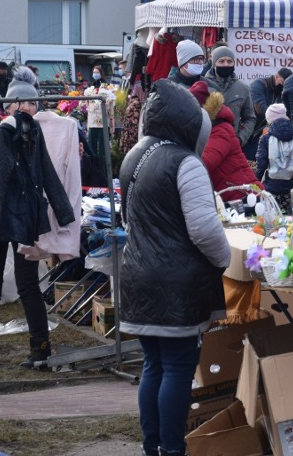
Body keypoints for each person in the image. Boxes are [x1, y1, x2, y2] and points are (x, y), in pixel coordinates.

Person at [119, 79, 231, 456]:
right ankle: (172, 449)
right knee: (179, 367)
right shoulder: (186, 162)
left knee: (154, 364)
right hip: (175, 283)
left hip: (138, 274)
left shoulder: (136, 154)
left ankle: (152, 446)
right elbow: (204, 230)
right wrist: (225, 260)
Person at [0, 79, 76, 368]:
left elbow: (46, 169)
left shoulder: (34, 132)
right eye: (22, 103)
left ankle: (41, 346)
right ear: (8, 106)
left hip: (24, 217)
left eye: (33, 103)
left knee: (28, 284)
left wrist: (64, 212)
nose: (27, 108)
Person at [189, 80, 262, 202]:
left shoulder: (220, 130)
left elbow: (205, 162)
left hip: (245, 196)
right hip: (235, 194)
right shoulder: (209, 129)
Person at [203, 46, 256, 155]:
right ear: (214, 64)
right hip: (206, 147)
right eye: (221, 61)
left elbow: (250, 118)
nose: (226, 64)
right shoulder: (202, 85)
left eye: (229, 61)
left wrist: (241, 138)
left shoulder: (243, 88)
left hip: (232, 147)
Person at [256, 103, 293, 213]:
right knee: (290, 221)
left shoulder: (265, 139)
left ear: (269, 120)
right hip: (291, 187)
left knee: (271, 218)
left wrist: (257, 180)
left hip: (271, 187)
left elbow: (261, 163)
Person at [248, 68, 292, 160]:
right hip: (253, 130)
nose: (284, 86)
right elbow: (260, 108)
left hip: (268, 130)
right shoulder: (258, 85)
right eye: (284, 83)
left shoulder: (281, 90)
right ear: (277, 77)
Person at [83, 66, 114, 160]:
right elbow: (85, 103)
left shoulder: (107, 87)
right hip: (92, 121)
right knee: (91, 146)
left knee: (102, 147)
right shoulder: (90, 89)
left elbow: (111, 104)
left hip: (103, 122)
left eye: (97, 72)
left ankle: (103, 167)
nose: (95, 74)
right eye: (94, 72)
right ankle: (93, 166)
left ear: (101, 73)